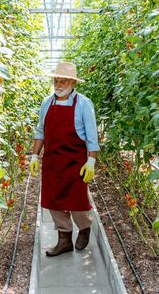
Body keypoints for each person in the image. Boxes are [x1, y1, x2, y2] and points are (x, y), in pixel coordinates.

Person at [29, 62, 100, 257]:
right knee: (54, 201)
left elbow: (92, 136)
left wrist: (91, 161)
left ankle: (84, 227)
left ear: (72, 83)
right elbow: (41, 131)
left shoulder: (84, 104)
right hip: (52, 162)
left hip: (75, 162)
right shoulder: (47, 103)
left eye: (63, 81)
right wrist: (35, 155)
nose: (58, 85)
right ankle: (64, 239)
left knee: (77, 200)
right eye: (56, 81)